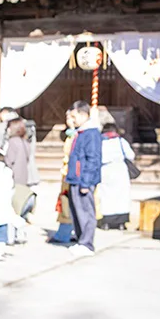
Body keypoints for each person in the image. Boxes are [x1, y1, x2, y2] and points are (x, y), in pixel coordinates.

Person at [65, 100, 102, 256]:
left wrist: (86, 181)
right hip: (75, 177)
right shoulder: (80, 132)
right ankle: (81, 239)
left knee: (86, 211)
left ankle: (87, 243)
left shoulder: (91, 134)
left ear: (83, 114)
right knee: (77, 211)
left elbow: (92, 159)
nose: (72, 120)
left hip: (83, 178)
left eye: (74, 116)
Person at [49, 108, 80, 244]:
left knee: (68, 202)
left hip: (73, 172)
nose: (69, 121)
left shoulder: (78, 136)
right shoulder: (70, 135)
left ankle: (65, 232)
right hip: (67, 171)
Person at [3, 117, 36, 242]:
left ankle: (10, 237)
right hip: (23, 177)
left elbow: (9, 160)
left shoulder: (13, 142)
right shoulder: (25, 142)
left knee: (12, 209)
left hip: (13, 177)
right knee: (20, 209)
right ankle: (21, 234)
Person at [99, 122, 135, 230]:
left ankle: (106, 221)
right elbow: (131, 155)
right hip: (120, 169)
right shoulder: (121, 141)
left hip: (105, 170)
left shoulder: (100, 142)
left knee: (106, 195)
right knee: (122, 195)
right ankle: (121, 222)